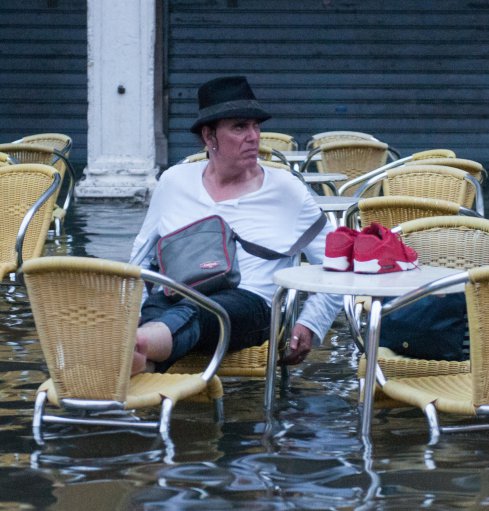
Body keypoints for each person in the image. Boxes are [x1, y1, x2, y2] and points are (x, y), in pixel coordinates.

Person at [129, 75, 342, 374]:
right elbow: (138, 258)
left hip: (249, 308)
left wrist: (310, 322)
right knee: (160, 317)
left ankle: (132, 346)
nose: (254, 136)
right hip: (173, 297)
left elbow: (337, 264)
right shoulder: (174, 182)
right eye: (240, 127)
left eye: (256, 126)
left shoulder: (286, 189)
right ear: (209, 136)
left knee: (197, 312)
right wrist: (134, 312)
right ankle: (136, 362)